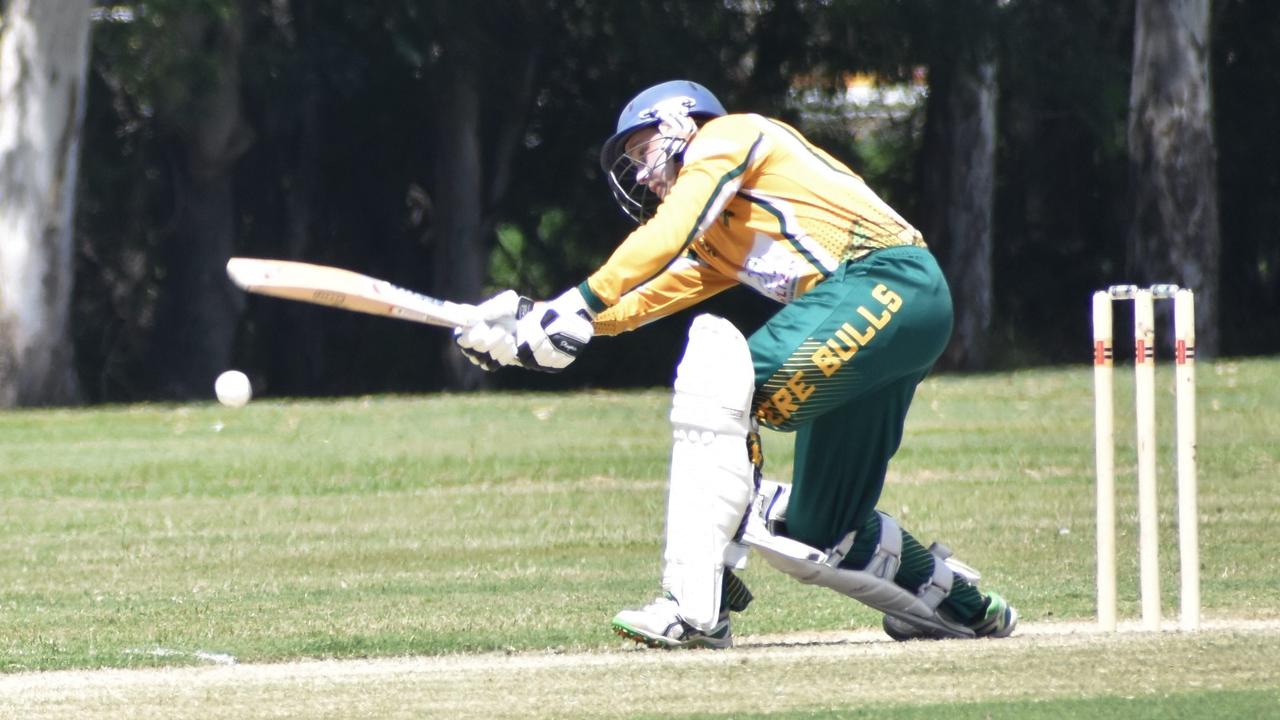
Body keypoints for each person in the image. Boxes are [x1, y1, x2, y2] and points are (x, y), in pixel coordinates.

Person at [453, 79, 1018, 649]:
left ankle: (695, 606)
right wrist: (531, 323)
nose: (644, 175)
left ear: (680, 122)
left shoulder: (729, 135)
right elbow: (638, 302)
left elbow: (664, 236)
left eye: (643, 152)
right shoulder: (723, 235)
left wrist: (577, 302)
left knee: (718, 376)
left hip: (888, 281)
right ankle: (963, 607)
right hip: (897, 314)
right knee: (823, 527)